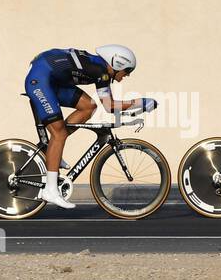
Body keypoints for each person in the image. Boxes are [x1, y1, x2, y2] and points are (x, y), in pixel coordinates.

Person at [25, 45, 155, 210]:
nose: (127, 75)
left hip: (51, 79)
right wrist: (141, 102)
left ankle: (51, 149)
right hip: (40, 80)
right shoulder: (101, 71)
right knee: (59, 135)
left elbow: (104, 105)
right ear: (118, 64)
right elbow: (110, 106)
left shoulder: (99, 67)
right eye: (127, 71)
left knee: (89, 106)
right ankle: (50, 190)